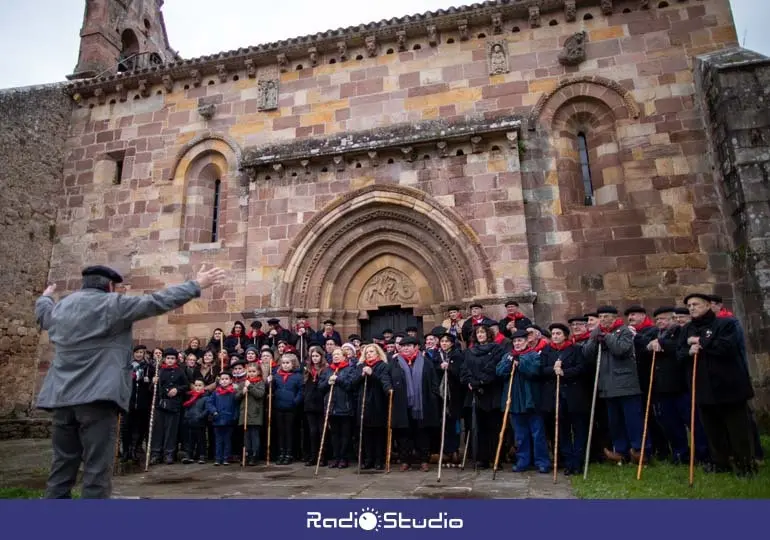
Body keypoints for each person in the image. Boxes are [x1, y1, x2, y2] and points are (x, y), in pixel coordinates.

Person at [35, 264, 225, 498]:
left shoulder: (62, 308)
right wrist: (196, 285)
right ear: (110, 286)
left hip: (61, 397)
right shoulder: (113, 305)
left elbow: (44, 316)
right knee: (96, 470)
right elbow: (156, 301)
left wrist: (44, 298)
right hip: (97, 398)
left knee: (61, 467)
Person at [678, 293, 756, 476]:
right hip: (703, 388)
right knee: (713, 430)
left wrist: (701, 342)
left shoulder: (726, 324)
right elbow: (679, 354)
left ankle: (745, 465)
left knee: (737, 430)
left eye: (695, 304)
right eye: (689, 305)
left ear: (708, 305)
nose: (691, 308)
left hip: (729, 387)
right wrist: (689, 350)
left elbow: (726, 347)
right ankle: (720, 462)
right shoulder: (687, 329)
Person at [206, 370, 238, 466]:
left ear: (230, 381)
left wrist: (235, 417)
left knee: (227, 440)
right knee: (218, 440)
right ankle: (218, 458)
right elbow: (209, 403)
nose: (224, 381)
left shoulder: (233, 393)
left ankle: (226, 458)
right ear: (219, 381)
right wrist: (214, 411)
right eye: (222, 379)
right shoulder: (216, 393)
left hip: (229, 420)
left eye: (226, 379)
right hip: (217, 419)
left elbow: (236, 406)